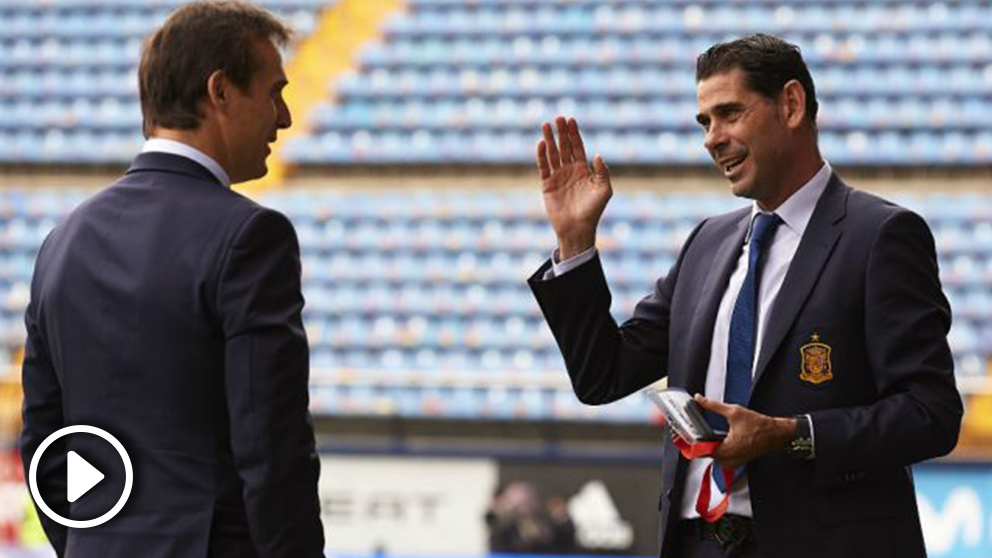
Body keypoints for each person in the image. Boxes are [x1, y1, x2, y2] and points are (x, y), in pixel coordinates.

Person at [528, 34, 962, 558]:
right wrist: (575, 243)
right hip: (696, 544)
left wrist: (790, 434)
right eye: (704, 122)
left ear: (792, 104)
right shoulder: (707, 243)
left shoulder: (881, 235)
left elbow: (930, 415)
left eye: (729, 114)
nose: (713, 138)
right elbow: (603, 376)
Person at [20, 2, 325, 557]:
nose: (283, 117)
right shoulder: (251, 236)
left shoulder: (62, 241)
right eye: (274, 91)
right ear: (221, 91)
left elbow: (45, 437)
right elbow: (272, 445)